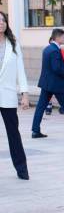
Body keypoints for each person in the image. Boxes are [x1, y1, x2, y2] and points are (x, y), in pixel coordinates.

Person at [0, 11, 30, 180]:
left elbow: (20, 70)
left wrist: (25, 94)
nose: (1, 23)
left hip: (8, 95)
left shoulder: (13, 44)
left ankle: (22, 168)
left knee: (13, 133)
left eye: (3, 20)